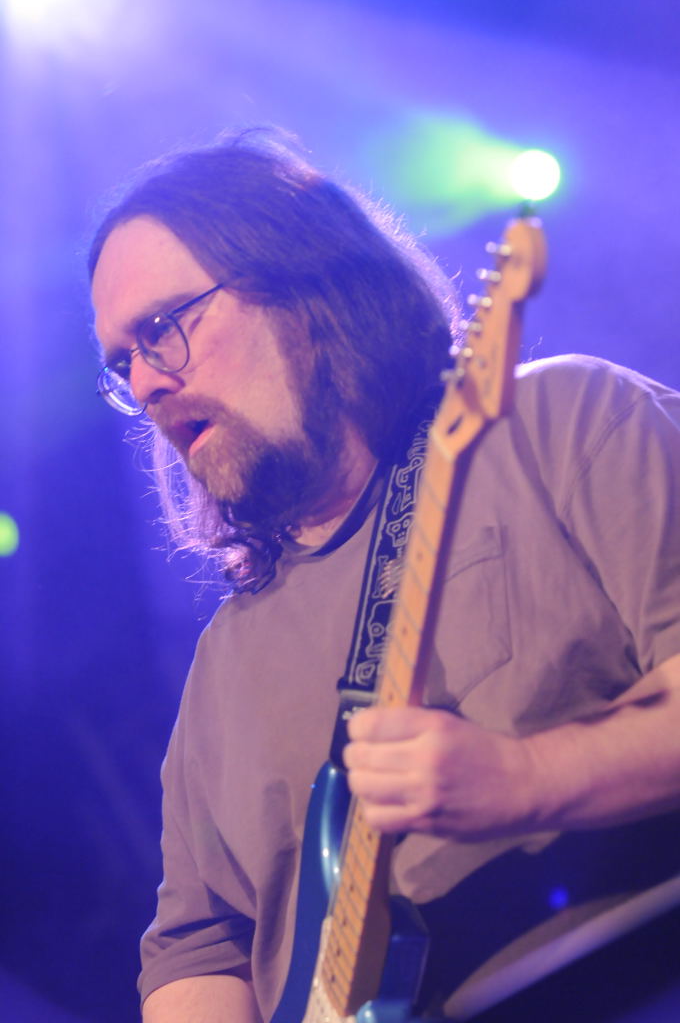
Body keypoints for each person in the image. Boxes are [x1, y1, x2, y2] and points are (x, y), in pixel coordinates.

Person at [89, 130, 680, 1022]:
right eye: (120, 363)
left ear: (303, 284)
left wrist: (526, 777)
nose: (144, 385)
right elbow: (198, 949)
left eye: (162, 329)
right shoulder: (221, 669)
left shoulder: (561, 425)